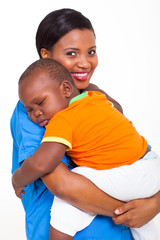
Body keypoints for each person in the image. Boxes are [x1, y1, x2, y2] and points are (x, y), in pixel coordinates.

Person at [11, 8, 133, 240]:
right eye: (71, 53)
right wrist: (132, 210)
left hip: (115, 231)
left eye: (91, 52)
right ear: (46, 56)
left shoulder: (91, 100)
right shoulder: (34, 111)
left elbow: (128, 156)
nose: (85, 63)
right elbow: (61, 183)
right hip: (73, 232)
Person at [13, 58, 160, 240]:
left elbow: (43, 163)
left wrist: (18, 178)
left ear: (66, 89)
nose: (36, 113)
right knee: (142, 226)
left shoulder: (63, 119)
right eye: (29, 109)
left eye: (41, 102)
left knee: (68, 198)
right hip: (151, 166)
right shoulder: (96, 98)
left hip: (133, 174)